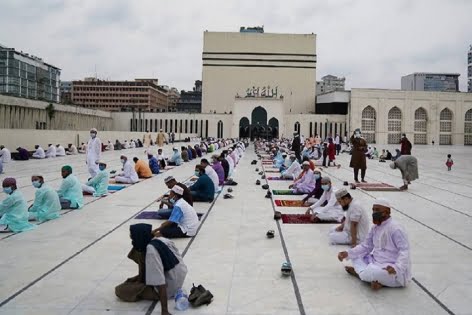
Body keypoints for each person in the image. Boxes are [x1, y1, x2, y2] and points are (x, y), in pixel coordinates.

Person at [337, 198, 411, 290]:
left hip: (390, 268)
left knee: (374, 272)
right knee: (355, 257)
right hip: (375, 262)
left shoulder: (396, 228)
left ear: (387, 212)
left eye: (377, 210)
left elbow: (404, 250)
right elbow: (366, 246)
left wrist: (396, 267)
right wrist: (348, 253)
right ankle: (373, 279)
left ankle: (359, 274)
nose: (374, 213)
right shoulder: (375, 228)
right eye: (373, 210)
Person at [115, 223, 187, 314]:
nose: (131, 238)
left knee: (120, 290)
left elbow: (161, 283)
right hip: (177, 275)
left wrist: (164, 311)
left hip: (169, 286)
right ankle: (142, 278)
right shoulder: (161, 239)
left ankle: (144, 285)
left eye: (132, 236)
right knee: (137, 251)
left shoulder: (151, 252)